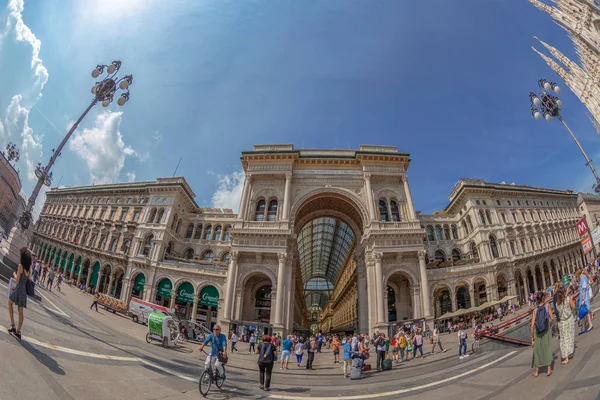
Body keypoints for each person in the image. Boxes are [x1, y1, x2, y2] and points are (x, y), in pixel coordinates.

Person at [8, 248, 32, 340]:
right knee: (20, 311)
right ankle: (18, 331)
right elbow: (27, 280)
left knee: (10, 303)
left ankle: (13, 325)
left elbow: (17, 280)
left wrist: (14, 274)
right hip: (23, 292)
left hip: (18, 289)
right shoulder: (28, 270)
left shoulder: (20, 266)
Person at [531, 291, 554, 377]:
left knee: (537, 351)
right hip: (546, 329)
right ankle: (548, 370)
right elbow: (552, 318)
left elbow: (532, 326)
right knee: (547, 349)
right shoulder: (547, 306)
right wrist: (550, 326)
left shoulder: (535, 310)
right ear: (543, 298)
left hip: (538, 332)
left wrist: (532, 337)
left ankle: (536, 372)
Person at [556, 287, 576, 365]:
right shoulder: (568, 299)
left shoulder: (557, 303)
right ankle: (570, 353)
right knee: (570, 337)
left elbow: (558, 312)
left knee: (564, 340)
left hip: (562, 322)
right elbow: (573, 306)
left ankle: (566, 357)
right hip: (569, 320)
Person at [577, 269, 594, 334]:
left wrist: (583, 299)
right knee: (584, 313)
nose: (577, 278)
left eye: (577, 276)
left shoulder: (583, 278)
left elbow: (584, 289)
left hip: (585, 297)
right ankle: (585, 327)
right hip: (583, 297)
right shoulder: (583, 278)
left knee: (586, 312)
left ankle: (590, 325)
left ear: (579, 275)